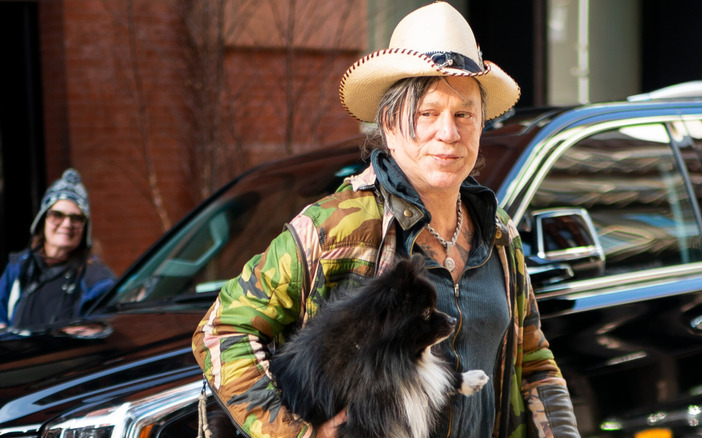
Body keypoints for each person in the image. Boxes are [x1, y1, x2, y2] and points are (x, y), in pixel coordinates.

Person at [192, 2, 580, 437]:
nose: (448, 133)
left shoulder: (499, 232)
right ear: (390, 126)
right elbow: (221, 332)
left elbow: (533, 359)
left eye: (464, 114)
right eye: (427, 113)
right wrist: (296, 433)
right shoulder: (336, 226)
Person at [0, 168, 116, 331]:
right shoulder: (19, 267)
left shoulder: (96, 277)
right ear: (43, 220)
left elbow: (105, 326)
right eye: (57, 215)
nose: (66, 224)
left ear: (85, 228)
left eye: (76, 218)